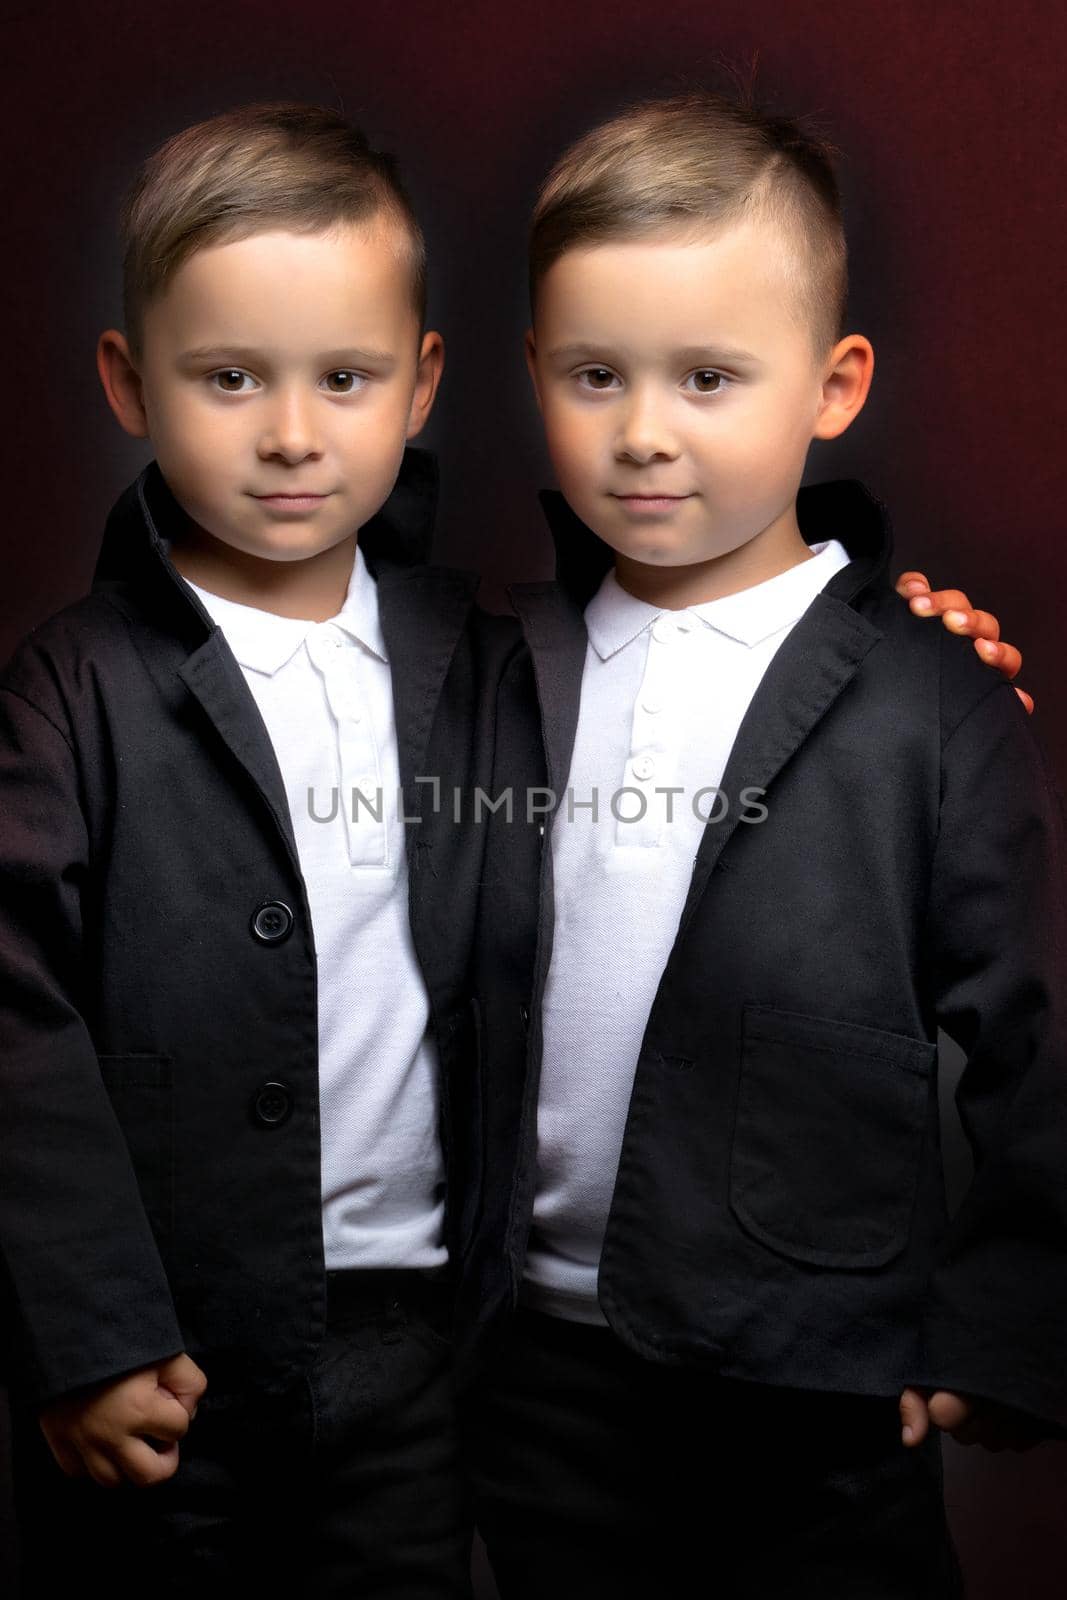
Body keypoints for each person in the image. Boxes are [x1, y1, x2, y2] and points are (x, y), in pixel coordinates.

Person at [464, 88, 1065, 1599]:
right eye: (594, 374)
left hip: (814, 1376)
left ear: (834, 383)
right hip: (534, 1360)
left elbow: (1036, 1028)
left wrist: (1008, 1314)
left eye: (711, 377)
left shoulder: (924, 691)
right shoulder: (485, 666)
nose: (645, 431)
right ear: (533, 371)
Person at [0, 101, 517, 1598]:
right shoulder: (71, 687)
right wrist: (81, 1334)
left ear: (419, 385)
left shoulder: (483, 653)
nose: (293, 433)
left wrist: (881, 616)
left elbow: (680, 642)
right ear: (128, 380)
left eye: (343, 378)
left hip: (418, 1353)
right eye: (229, 378)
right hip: (167, 1363)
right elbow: (14, 1022)